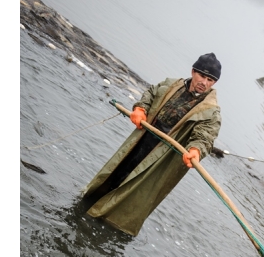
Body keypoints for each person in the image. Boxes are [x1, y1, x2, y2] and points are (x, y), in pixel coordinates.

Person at [82, 53, 223, 237]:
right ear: (193, 71)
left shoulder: (211, 111)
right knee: (116, 174)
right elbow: (151, 93)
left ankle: (110, 228)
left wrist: (196, 150)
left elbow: (205, 135)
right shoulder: (171, 85)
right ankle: (89, 205)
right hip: (142, 140)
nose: (204, 82)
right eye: (202, 76)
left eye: (210, 79)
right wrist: (141, 108)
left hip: (161, 157)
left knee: (136, 192)